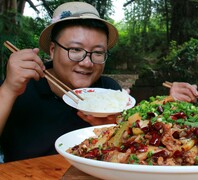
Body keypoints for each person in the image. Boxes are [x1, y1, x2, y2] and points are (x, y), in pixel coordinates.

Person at [0, 2, 123, 162]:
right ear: (52, 49)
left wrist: (119, 128)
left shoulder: (109, 92)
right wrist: (8, 90)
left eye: (98, 52)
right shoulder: (22, 87)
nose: (87, 63)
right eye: (76, 50)